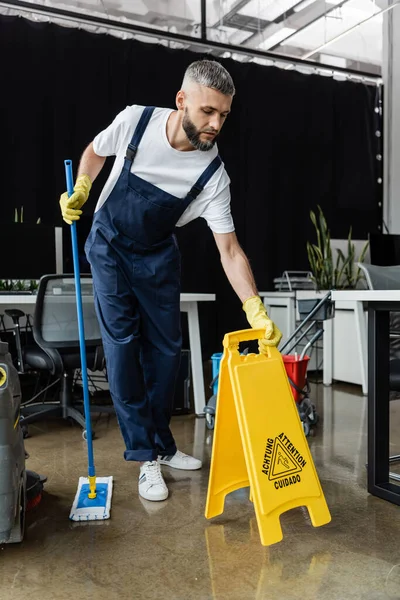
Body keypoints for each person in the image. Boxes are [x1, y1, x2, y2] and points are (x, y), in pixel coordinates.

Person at [59, 60, 282, 502]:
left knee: (164, 352)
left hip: (158, 255)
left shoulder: (213, 176)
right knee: (123, 345)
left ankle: (163, 445)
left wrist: (255, 308)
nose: (216, 124)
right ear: (181, 101)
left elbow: (230, 251)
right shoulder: (135, 121)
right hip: (109, 245)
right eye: (207, 112)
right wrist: (83, 186)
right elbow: (95, 151)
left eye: (224, 115)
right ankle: (145, 458)